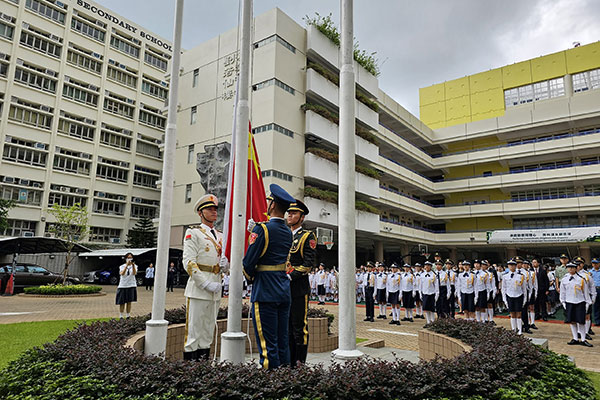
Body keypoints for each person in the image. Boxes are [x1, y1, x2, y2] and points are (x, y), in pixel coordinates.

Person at [243, 184, 295, 369]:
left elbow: (248, 263)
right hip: (282, 289)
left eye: (268, 200)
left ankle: (270, 381)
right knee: (282, 341)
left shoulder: (262, 229)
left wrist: (250, 277)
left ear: (272, 205)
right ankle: (285, 376)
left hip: (265, 290)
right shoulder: (288, 232)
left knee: (267, 345)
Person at [182, 194, 223, 360]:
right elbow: (189, 262)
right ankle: (190, 370)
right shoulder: (193, 233)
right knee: (193, 332)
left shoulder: (221, 235)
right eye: (209, 209)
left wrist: (225, 266)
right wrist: (205, 283)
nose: (214, 212)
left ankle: (203, 369)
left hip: (216, 287)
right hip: (199, 289)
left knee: (207, 332)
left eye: (215, 209)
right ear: (201, 213)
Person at [285, 199, 316, 366]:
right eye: (289, 212)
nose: (290, 215)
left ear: (301, 217)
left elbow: (308, 264)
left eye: (294, 213)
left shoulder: (307, 236)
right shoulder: (283, 234)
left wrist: (291, 276)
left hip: (298, 287)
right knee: (287, 327)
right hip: (283, 287)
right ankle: (289, 362)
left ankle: (299, 362)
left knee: (299, 327)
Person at [561, 262, 593, 347]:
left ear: (576, 268)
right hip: (569, 302)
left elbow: (586, 292)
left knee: (581, 321)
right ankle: (575, 338)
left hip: (580, 302)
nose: (571, 269)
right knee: (572, 321)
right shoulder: (564, 279)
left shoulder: (581, 279)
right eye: (569, 267)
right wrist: (563, 302)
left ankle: (583, 339)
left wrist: (587, 303)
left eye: (572, 267)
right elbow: (563, 292)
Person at [502, 259, 526, 335]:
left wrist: (525, 299)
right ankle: (513, 329)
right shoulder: (505, 276)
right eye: (510, 265)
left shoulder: (521, 276)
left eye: (513, 265)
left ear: (516, 266)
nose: (511, 266)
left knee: (518, 314)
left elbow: (524, 288)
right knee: (512, 314)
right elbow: (503, 288)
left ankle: (519, 330)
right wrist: (504, 299)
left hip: (518, 295)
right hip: (510, 295)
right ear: (508, 266)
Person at [575, 256, 595, 339]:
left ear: (583, 265)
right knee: (577, 316)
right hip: (576, 297)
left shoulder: (587, 274)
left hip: (586, 297)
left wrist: (593, 296)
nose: (578, 265)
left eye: (580, 264)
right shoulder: (570, 274)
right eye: (576, 263)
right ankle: (579, 332)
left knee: (587, 315)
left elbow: (591, 286)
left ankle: (586, 332)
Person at [116, 252, 137, 319]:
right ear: (125, 258)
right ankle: (121, 315)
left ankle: (128, 315)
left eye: (130, 257)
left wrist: (133, 265)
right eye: (128, 258)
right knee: (122, 302)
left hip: (131, 285)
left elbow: (134, 273)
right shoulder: (121, 266)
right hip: (123, 285)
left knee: (129, 301)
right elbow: (122, 273)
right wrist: (126, 266)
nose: (129, 259)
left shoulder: (135, 266)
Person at [591, 259, 600, 328]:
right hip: (594, 290)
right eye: (593, 263)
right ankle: (597, 321)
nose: (595, 265)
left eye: (596, 263)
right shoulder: (589, 272)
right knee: (596, 306)